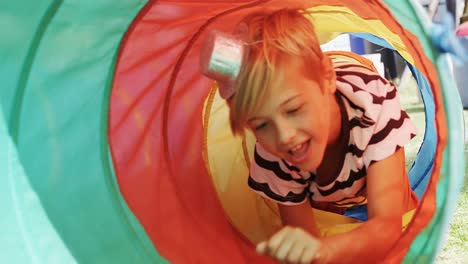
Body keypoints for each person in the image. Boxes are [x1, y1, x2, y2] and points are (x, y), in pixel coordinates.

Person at [201, 8, 418, 264]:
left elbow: (388, 227)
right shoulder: (273, 155)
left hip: (350, 89)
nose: (284, 136)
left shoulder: (374, 108)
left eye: (293, 110)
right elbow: (306, 244)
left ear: (327, 79)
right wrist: (317, 250)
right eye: (261, 125)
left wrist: (329, 249)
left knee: (401, 235)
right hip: (323, 185)